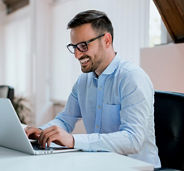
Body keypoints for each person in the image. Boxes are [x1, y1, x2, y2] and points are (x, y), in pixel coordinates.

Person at [25, 10, 161, 168]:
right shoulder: (83, 81)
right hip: (100, 164)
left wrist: (73, 140)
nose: (77, 55)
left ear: (107, 40)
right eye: (74, 47)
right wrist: (41, 131)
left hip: (136, 167)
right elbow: (65, 119)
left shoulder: (132, 78)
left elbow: (132, 140)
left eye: (83, 46)